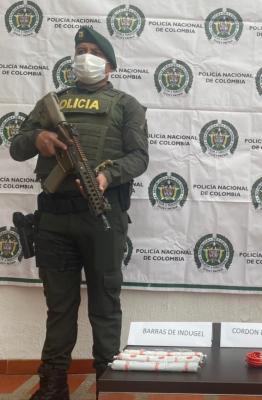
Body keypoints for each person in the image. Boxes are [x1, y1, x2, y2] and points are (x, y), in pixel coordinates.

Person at [10, 26, 149, 400]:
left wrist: (107, 176)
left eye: (95, 52)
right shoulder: (51, 103)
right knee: (59, 306)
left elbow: (139, 158)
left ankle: (108, 384)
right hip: (54, 220)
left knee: (105, 305)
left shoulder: (126, 105)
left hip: (102, 217)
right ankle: (53, 384)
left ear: (110, 65)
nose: (86, 57)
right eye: (81, 50)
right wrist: (38, 138)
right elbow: (17, 148)